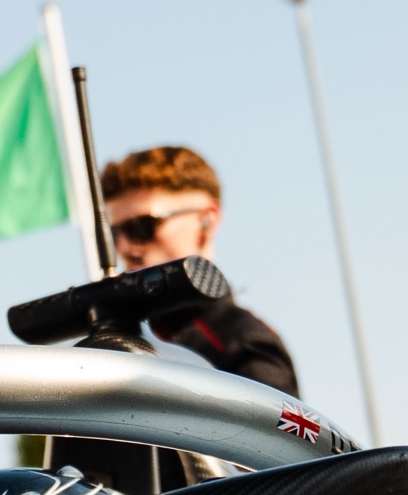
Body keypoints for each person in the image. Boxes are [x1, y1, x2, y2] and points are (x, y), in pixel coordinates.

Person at [101, 144, 298, 394]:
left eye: (141, 227)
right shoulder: (122, 343)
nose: (124, 247)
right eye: (114, 234)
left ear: (207, 222)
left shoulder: (244, 344)